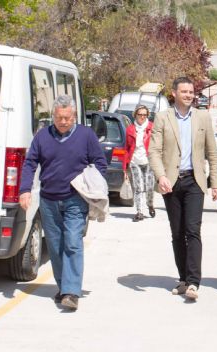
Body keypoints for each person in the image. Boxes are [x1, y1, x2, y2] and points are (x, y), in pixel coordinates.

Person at [19, 95, 107, 311]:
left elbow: (100, 163)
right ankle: (63, 287)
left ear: (74, 116)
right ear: (53, 117)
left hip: (75, 200)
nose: (63, 122)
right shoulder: (42, 136)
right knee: (56, 247)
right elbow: (30, 163)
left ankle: (71, 292)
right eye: (59, 118)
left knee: (73, 243)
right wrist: (25, 190)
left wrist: (89, 182)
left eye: (67, 118)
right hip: (49, 201)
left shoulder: (86, 136)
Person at [148, 77, 217, 302]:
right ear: (174, 93)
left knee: (192, 230)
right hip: (171, 182)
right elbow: (154, 151)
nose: (189, 95)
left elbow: (212, 152)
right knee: (177, 232)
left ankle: (193, 282)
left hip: (194, 181)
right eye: (184, 91)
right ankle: (182, 278)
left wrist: (215, 182)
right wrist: (160, 175)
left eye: (191, 92)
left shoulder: (203, 117)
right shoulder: (162, 117)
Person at [123, 104, 155, 222]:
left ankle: (150, 204)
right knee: (138, 187)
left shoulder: (152, 127)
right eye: (140, 114)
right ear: (135, 115)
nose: (142, 117)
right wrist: (125, 166)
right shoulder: (130, 129)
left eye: (145, 115)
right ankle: (139, 212)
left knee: (149, 187)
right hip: (134, 161)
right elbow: (126, 148)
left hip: (148, 161)